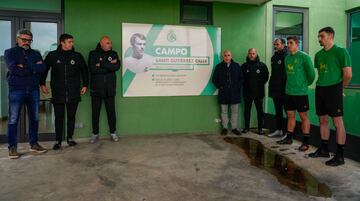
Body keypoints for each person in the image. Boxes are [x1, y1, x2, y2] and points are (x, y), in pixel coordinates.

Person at [309, 27, 352, 166]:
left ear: (330, 36)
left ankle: (340, 156)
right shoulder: (318, 54)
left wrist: (340, 88)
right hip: (321, 88)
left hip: (334, 88)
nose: (319, 39)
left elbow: (348, 74)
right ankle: (324, 150)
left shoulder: (341, 51)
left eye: (322, 36)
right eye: (319, 36)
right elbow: (321, 73)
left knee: (338, 122)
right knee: (322, 120)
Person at [4, 29, 48, 159]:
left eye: (29, 40)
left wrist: (25, 66)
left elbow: (42, 68)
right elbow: (13, 69)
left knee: (34, 118)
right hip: (16, 89)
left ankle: (33, 143)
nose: (27, 42)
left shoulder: (36, 53)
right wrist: (33, 67)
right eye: (24, 40)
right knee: (13, 119)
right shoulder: (10, 52)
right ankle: (12, 147)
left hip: (33, 89)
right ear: (18, 39)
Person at [40, 34, 88, 150]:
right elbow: (44, 70)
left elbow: (84, 71)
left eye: (72, 42)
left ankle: (70, 138)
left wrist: (85, 84)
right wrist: (42, 84)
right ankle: (58, 141)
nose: (72, 44)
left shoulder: (77, 56)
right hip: (58, 92)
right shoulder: (52, 56)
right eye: (69, 42)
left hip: (73, 91)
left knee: (71, 116)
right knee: (59, 117)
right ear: (62, 42)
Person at [277, 36, 315, 152]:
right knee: (290, 116)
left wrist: (303, 85)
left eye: (291, 43)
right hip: (289, 92)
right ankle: (289, 138)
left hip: (301, 93)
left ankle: (306, 142)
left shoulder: (304, 57)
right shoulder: (287, 58)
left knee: (304, 117)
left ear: (297, 44)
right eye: (287, 43)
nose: (288, 45)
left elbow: (311, 75)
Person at [88, 36, 120, 143]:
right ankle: (95, 134)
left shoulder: (113, 53)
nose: (110, 45)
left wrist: (101, 64)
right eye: (107, 43)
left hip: (110, 89)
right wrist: (109, 67)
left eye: (110, 43)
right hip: (96, 89)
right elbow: (92, 69)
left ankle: (113, 132)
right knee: (95, 113)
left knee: (111, 112)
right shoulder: (93, 54)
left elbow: (116, 67)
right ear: (101, 43)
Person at [212, 50, 243, 135]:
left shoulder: (236, 66)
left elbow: (241, 78)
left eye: (228, 55)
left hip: (235, 93)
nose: (227, 57)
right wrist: (220, 87)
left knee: (234, 112)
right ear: (223, 56)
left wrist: (237, 87)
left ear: (231, 56)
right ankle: (225, 128)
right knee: (224, 111)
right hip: (223, 93)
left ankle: (234, 128)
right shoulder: (219, 67)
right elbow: (214, 80)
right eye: (225, 55)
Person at [241, 48, 269, 135]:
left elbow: (266, 78)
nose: (251, 55)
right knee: (247, 111)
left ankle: (260, 128)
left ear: (256, 54)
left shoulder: (262, 66)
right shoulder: (244, 66)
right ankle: (246, 127)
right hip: (247, 92)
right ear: (248, 54)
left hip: (259, 93)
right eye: (250, 53)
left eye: (253, 53)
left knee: (260, 111)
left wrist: (258, 85)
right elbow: (241, 79)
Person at [268, 38, 287, 138]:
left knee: (288, 112)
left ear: (283, 44)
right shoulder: (273, 58)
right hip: (275, 89)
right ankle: (279, 130)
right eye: (274, 44)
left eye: (277, 44)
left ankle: (287, 133)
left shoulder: (287, 57)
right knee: (278, 111)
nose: (275, 46)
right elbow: (274, 74)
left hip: (285, 90)